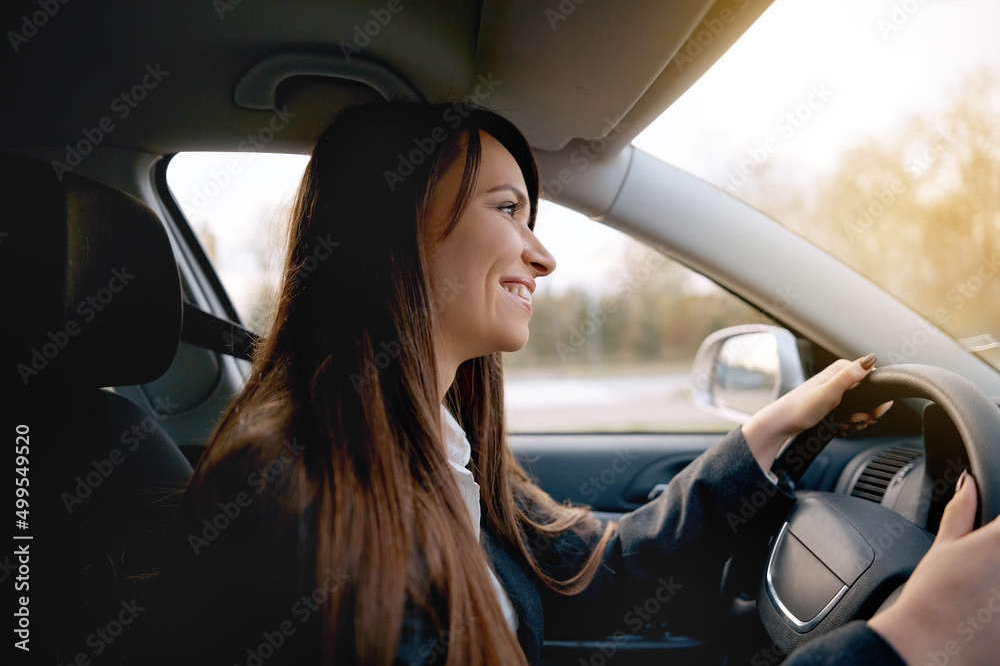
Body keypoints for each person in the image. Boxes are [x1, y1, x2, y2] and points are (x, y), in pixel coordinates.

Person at [137, 100, 1000, 665]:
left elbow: (591, 567)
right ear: (398, 227)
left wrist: (772, 432)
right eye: (507, 210)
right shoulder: (306, 500)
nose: (542, 255)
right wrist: (905, 638)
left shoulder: (428, 450)